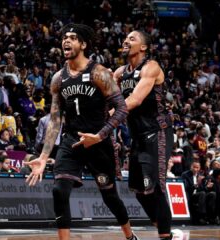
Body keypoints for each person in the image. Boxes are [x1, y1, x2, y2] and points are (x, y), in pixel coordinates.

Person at [25, 24, 138, 240]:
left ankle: (130, 236)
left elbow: (122, 108)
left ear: (83, 44)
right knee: (59, 190)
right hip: (72, 141)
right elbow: (56, 119)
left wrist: (100, 135)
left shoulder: (99, 73)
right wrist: (43, 156)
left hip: (98, 141)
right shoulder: (58, 78)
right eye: (65, 37)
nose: (66, 41)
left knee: (110, 196)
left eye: (73, 38)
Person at [114, 30, 174, 239]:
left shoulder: (151, 67)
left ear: (144, 47)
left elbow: (135, 100)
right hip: (138, 136)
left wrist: (111, 115)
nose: (126, 41)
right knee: (140, 192)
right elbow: (107, 93)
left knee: (156, 189)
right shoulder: (121, 73)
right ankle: (162, 227)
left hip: (158, 132)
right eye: (125, 38)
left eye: (132, 38)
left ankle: (164, 234)